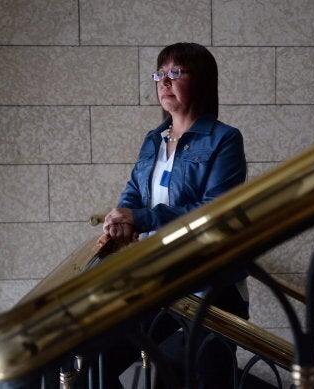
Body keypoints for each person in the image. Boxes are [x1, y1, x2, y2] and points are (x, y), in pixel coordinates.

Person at [98, 42, 249, 388]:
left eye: (176, 73)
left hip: (210, 286)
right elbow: (135, 192)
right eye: (160, 74)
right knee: (98, 358)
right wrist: (120, 216)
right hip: (159, 281)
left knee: (193, 377)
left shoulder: (224, 139)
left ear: (203, 81)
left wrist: (143, 219)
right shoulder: (153, 139)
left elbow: (212, 212)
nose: (164, 82)